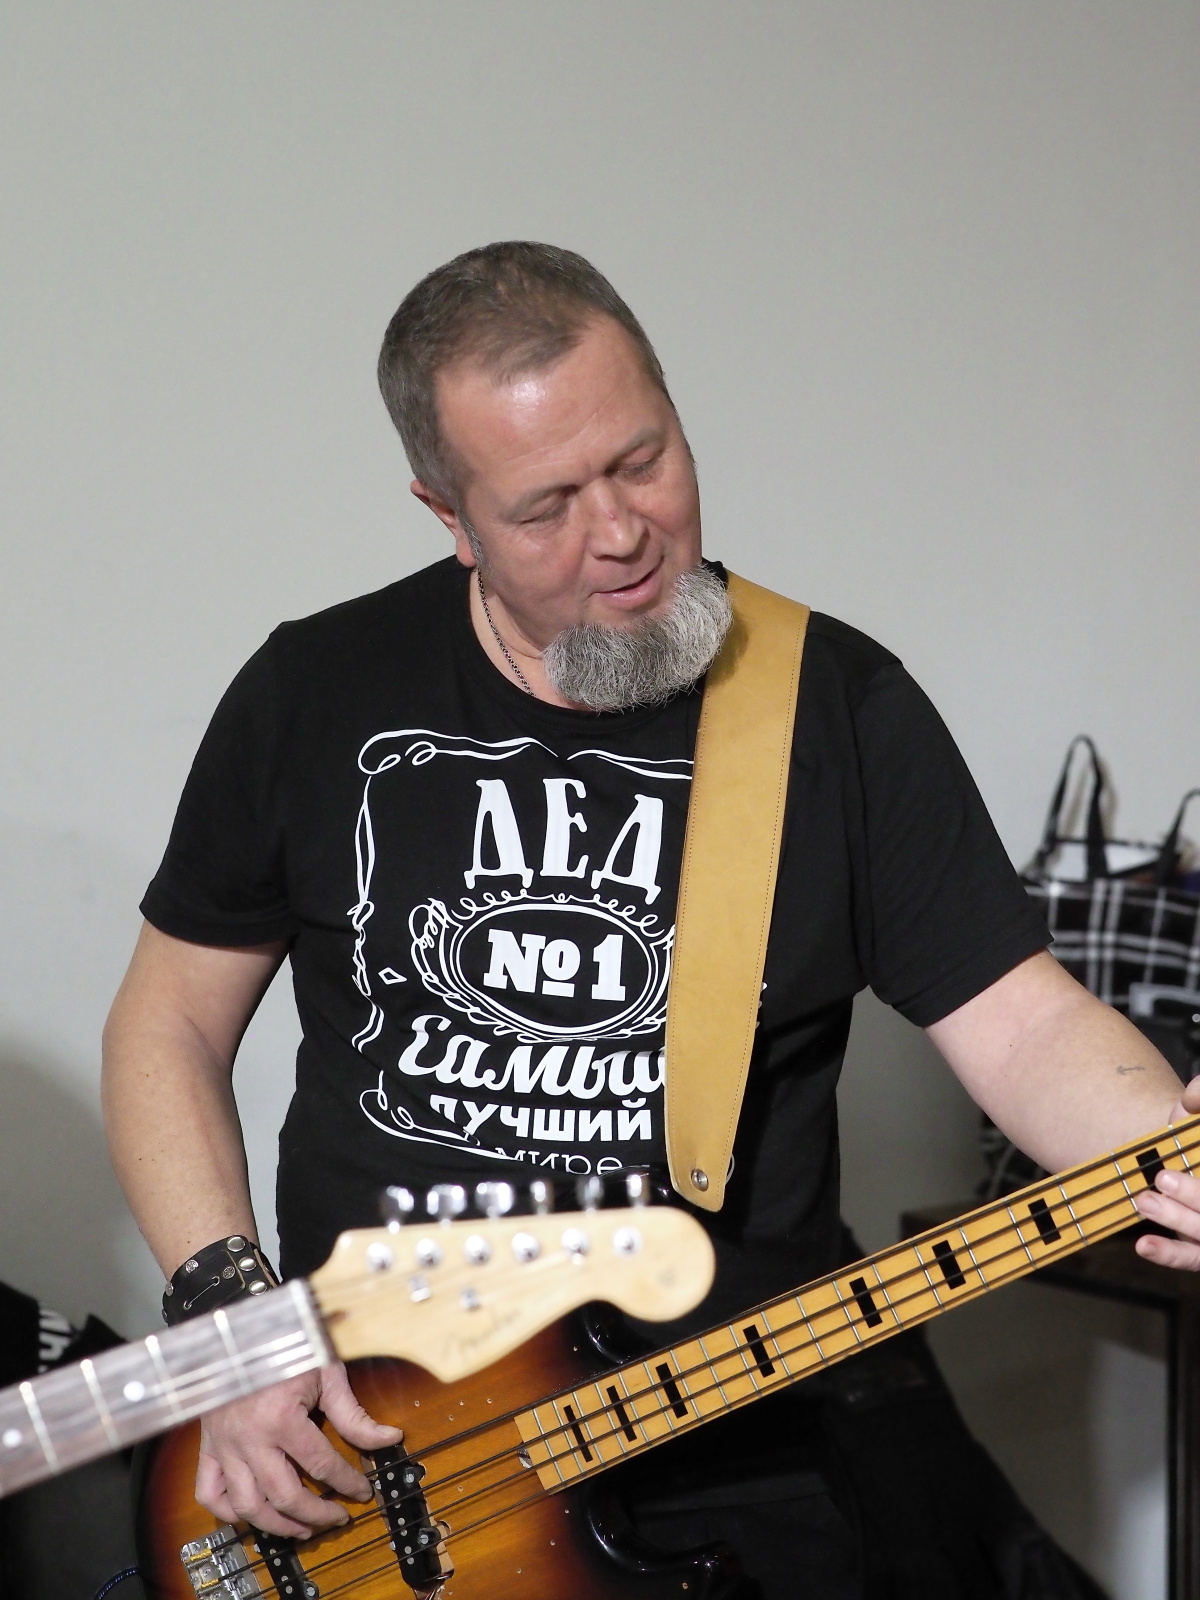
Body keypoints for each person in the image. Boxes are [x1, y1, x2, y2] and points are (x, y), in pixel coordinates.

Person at [102, 242, 1200, 1592]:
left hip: (732, 1438)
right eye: (545, 508)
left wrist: (1173, 1150)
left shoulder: (835, 709)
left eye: (643, 460)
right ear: (448, 516)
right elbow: (168, 1021)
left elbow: (1024, 1025)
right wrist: (230, 1324)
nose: (621, 535)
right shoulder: (315, 691)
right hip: (392, 1456)